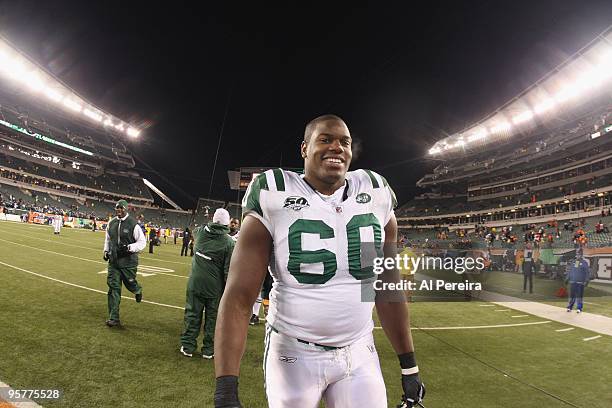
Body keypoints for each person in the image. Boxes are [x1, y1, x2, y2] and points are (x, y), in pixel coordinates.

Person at [213, 114, 425, 408]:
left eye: (345, 142)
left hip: (359, 350)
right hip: (293, 353)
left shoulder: (373, 193)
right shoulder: (275, 191)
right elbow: (239, 296)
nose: (337, 147)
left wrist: (409, 367)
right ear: (304, 149)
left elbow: (386, 290)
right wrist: (226, 388)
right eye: (325, 139)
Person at [180, 208, 235, 359]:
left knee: (192, 314)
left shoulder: (200, 232)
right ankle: (208, 350)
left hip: (195, 283)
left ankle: (188, 346)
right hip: (214, 287)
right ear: (227, 223)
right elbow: (227, 271)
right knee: (213, 319)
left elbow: (197, 230)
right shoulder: (229, 243)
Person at [103, 200, 146, 327]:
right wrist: (106, 251)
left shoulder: (134, 224)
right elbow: (108, 239)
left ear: (126, 209)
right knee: (113, 288)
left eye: (121, 208)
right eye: (117, 208)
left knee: (130, 284)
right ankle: (113, 317)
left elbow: (142, 243)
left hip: (129, 263)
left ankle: (137, 290)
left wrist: (129, 247)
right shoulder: (111, 223)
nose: (119, 210)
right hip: (114, 262)